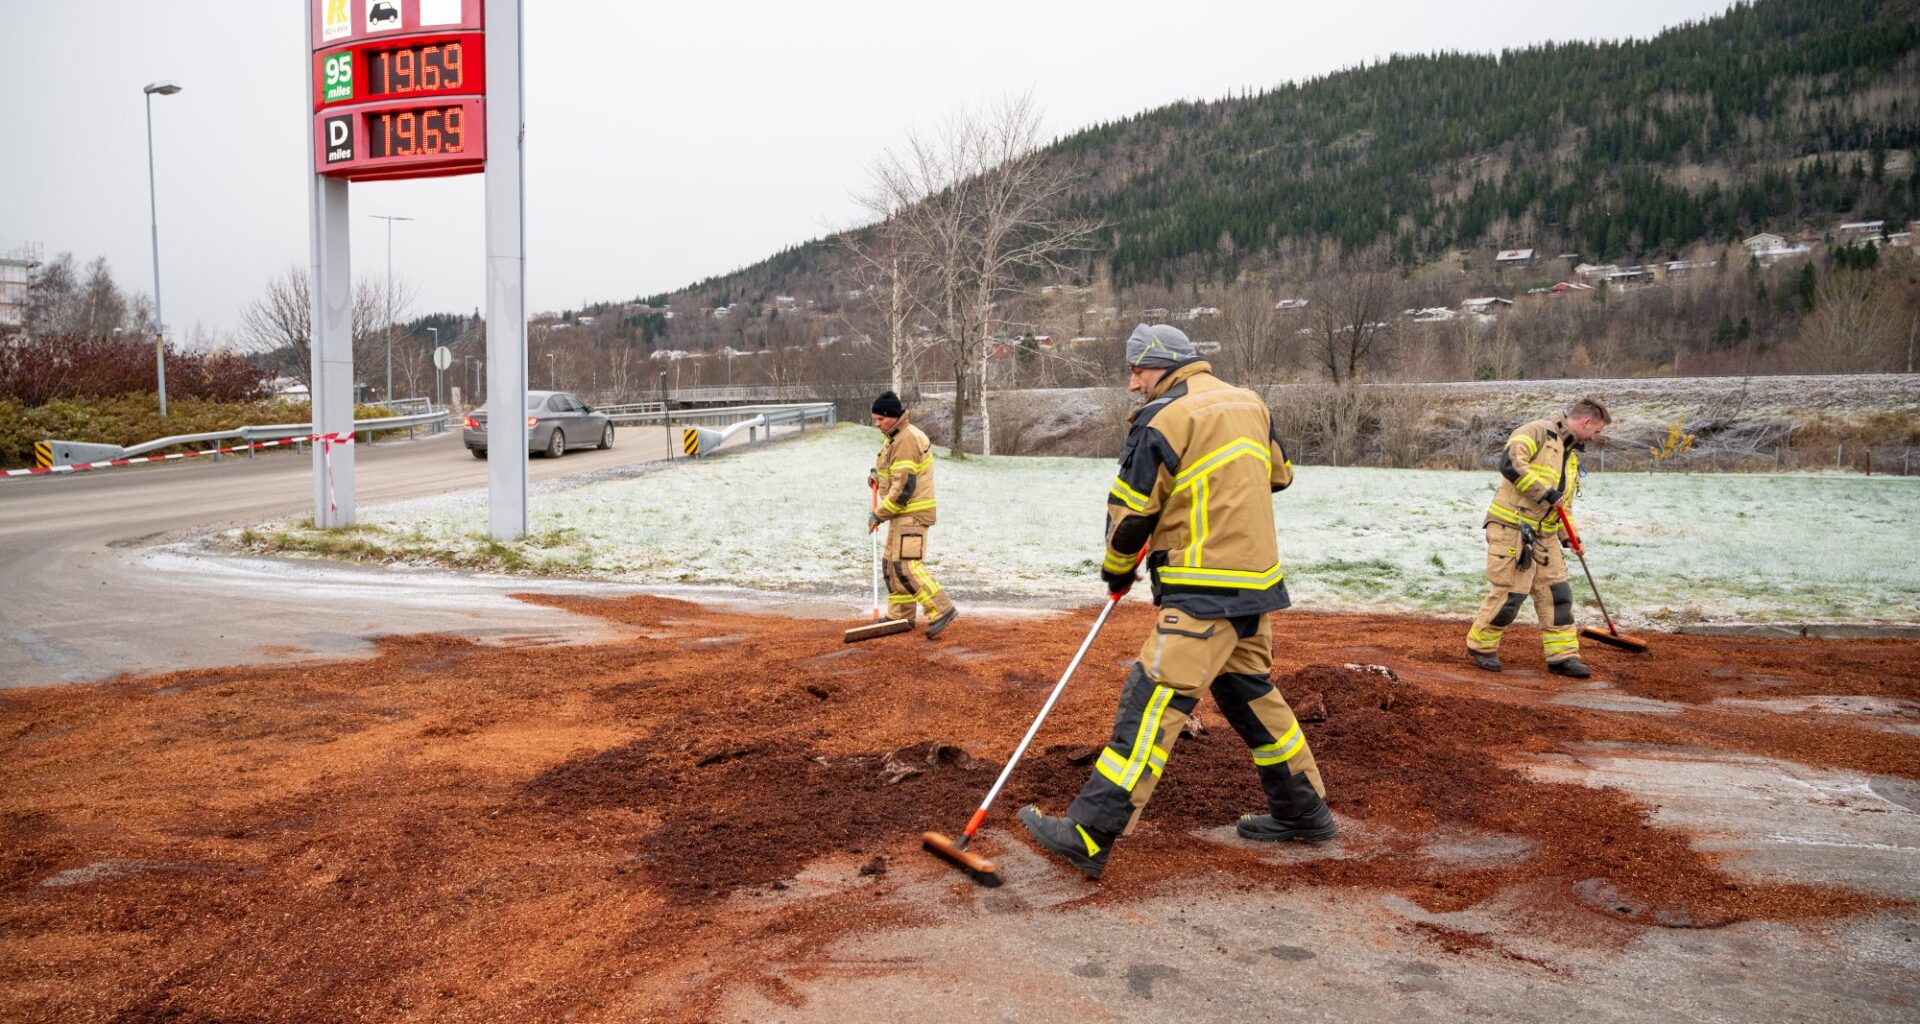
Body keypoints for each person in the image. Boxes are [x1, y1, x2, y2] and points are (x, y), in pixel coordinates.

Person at [1018, 324, 1334, 881]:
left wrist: (1117, 571)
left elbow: (1132, 513)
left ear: (1161, 365)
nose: (1132, 382)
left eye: (1137, 370)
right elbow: (1279, 476)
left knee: (1151, 704)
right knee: (1253, 698)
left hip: (1199, 590)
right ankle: (1303, 811)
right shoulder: (1250, 404)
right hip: (1256, 584)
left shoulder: (1162, 419)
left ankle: (1090, 832)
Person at [1466, 397, 1611, 677]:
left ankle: (1563, 656)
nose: (1595, 437)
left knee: (1557, 594)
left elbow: (1563, 504)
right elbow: (1510, 463)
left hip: (1545, 536)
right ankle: (1481, 645)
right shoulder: (1535, 432)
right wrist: (1544, 492)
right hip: (1512, 528)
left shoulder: (1571, 456)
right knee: (1511, 594)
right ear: (1585, 422)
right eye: (1597, 431)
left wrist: (1571, 538)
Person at [868, 390, 958, 638]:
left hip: (913, 513)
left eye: (880, 419)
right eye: (874, 419)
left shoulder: (906, 439)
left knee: (906, 565)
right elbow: (893, 473)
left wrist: (879, 514)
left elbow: (904, 488)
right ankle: (900, 615)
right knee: (891, 564)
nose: (876, 424)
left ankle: (942, 609)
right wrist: (877, 476)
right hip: (900, 514)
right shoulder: (893, 436)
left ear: (893, 416)